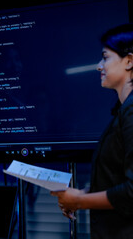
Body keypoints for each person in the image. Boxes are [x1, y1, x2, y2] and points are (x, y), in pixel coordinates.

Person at [51, 23, 133, 238]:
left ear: (130, 61)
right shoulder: (123, 111)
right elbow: (117, 185)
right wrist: (80, 196)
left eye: (105, 57)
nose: (98, 66)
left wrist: (79, 200)